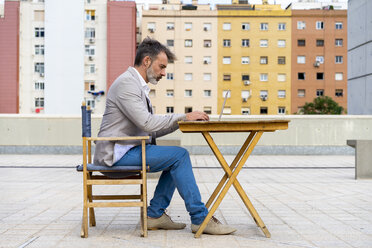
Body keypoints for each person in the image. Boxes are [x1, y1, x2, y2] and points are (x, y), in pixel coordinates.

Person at [94, 37, 236, 235]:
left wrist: (184, 121)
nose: (163, 73)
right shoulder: (127, 84)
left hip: (129, 148)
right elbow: (148, 123)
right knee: (179, 155)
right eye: (161, 67)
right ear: (146, 61)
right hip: (115, 156)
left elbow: (149, 129)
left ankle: (154, 215)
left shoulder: (137, 86)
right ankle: (200, 219)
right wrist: (184, 116)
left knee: (175, 158)